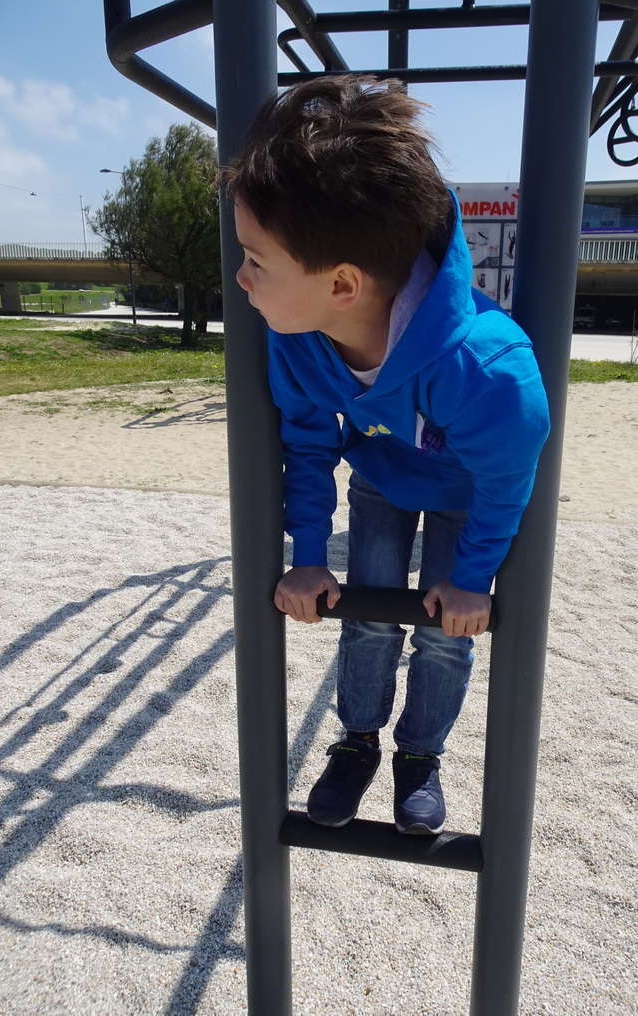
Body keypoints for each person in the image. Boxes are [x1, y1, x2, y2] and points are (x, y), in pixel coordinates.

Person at [218, 74, 549, 836]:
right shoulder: (297, 341)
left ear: (341, 283)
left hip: (467, 490)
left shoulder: (488, 369)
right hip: (380, 477)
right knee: (365, 616)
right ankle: (357, 741)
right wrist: (305, 553)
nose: (239, 278)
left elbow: (506, 479)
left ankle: (420, 757)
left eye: (255, 260)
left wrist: (471, 580)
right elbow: (305, 445)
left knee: (444, 630)